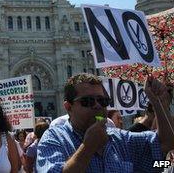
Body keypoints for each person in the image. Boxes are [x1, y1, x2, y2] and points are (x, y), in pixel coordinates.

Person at [36, 73, 174, 172]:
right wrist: (87, 148)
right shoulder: (54, 138)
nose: (97, 106)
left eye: (103, 101)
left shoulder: (120, 139)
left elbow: (165, 143)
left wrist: (159, 105)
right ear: (69, 107)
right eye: (88, 101)